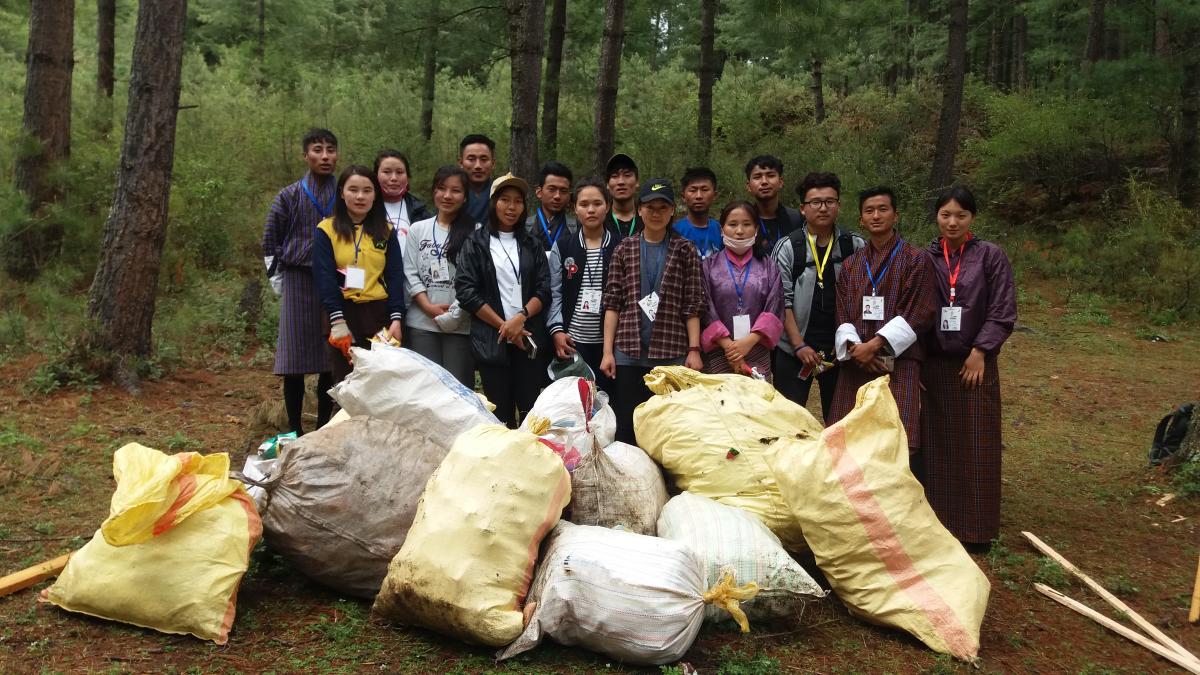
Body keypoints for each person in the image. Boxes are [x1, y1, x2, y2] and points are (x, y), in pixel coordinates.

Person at [919, 186, 1017, 551]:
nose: (952, 222)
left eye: (960, 215)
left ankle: (976, 529)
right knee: (937, 444)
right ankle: (939, 525)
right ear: (936, 217)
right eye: (946, 215)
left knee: (976, 444)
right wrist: (917, 364)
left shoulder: (989, 256)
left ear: (972, 217)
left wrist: (981, 351)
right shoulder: (926, 257)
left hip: (975, 364)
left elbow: (1002, 310)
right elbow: (916, 312)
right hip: (934, 365)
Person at [828, 186, 936, 453]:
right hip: (857, 363)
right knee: (851, 438)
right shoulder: (852, 264)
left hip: (898, 362)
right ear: (861, 220)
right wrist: (856, 348)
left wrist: (874, 346)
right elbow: (842, 311)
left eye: (883, 209)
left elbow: (918, 311)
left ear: (896, 215)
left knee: (895, 439)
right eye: (869, 211)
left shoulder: (915, 259)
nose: (876, 216)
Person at [600, 178, 705, 444]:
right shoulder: (625, 249)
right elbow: (613, 303)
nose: (656, 213)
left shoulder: (685, 250)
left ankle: (664, 482)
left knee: (668, 427)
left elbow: (692, 304)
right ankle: (630, 478)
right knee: (627, 423)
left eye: (662, 207)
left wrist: (693, 351)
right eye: (650, 207)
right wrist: (608, 352)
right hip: (628, 351)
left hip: (671, 352)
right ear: (639, 210)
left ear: (672, 212)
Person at [454, 173, 552, 428]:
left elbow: (544, 288)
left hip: (528, 337)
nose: (511, 207)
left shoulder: (532, 244)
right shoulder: (475, 243)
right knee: (499, 415)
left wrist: (520, 319)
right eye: (505, 200)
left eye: (518, 201)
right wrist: (505, 327)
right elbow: (466, 291)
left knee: (532, 411)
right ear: (493, 203)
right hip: (492, 340)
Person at [260, 128, 338, 435]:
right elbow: (270, 239)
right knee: (293, 360)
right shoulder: (289, 195)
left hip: (334, 281)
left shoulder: (345, 193)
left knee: (329, 360)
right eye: (317, 150)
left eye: (330, 150)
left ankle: (322, 426)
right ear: (305, 155)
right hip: (296, 280)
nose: (325, 156)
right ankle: (293, 429)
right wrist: (277, 278)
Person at [772, 172, 865, 421]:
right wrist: (799, 345)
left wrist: (851, 342)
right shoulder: (788, 247)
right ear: (803, 208)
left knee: (843, 423)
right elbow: (782, 301)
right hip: (794, 350)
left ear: (838, 205)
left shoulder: (853, 245)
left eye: (830, 201)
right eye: (815, 202)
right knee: (788, 423)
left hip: (841, 351)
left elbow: (866, 295)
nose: (823, 208)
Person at [313, 165, 406, 387]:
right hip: (342, 314)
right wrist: (337, 320)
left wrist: (396, 318)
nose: (360, 196)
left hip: (379, 315)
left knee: (380, 382)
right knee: (346, 383)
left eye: (367, 190)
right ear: (342, 193)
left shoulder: (385, 231)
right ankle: (344, 422)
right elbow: (324, 277)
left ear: (375, 195)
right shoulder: (326, 230)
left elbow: (394, 275)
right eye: (353, 190)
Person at [402, 166, 478, 387]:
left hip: (461, 323)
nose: (447, 195)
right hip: (422, 322)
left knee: (457, 387)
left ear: (465, 197)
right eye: (441, 188)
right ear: (434, 191)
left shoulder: (476, 231)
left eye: (455, 190)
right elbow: (410, 272)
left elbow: (476, 279)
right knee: (425, 387)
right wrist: (427, 306)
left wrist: (456, 312)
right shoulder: (418, 229)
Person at [548, 178, 620, 395]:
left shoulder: (621, 246)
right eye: (584, 204)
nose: (591, 210)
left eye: (597, 204)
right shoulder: (564, 246)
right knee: (576, 402)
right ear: (575, 209)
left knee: (608, 402)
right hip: (573, 340)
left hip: (610, 343)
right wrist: (557, 330)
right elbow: (554, 292)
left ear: (607, 207)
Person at [699, 201, 784, 378]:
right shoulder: (708, 266)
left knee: (756, 403)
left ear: (756, 229)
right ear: (722, 229)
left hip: (756, 349)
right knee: (721, 402)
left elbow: (774, 307)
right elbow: (705, 308)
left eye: (746, 224)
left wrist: (749, 341)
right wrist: (729, 346)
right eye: (732, 224)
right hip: (719, 352)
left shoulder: (769, 266)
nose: (739, 231)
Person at [374, 150, 431, 249]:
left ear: (408, 177)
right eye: (386, 172)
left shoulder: (420, 211)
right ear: (375, 176)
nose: (394, 178)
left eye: (400, 172)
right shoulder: (366, 208)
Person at [744, 154, 803, 247]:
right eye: (757, 177)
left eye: (770, 175)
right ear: (748, 186)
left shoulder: (797, 219)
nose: (764, 181)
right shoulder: (741, 222)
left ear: (780, 182)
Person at [672, 167, 723, 259]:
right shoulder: (674, 231)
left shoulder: (721, 230)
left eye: (704, 190)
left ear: (715, 195)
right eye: (693, 190)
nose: (699, 196)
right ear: (683, 196)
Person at [528, 161, 578, 252]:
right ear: (539, 192)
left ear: (569, 195)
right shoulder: (525, 227)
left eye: (563, 191)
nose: (557, 196)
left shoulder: (576, 228)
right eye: (552, 189)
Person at [459, 133, 496, 225]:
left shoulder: (500, 194)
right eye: (471, 159)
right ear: (461, 162)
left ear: (493, 163)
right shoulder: (451, 194)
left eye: (484, 159)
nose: (478, 166)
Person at [605, 153, 641, 240]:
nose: (621, 182)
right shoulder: (600, 219)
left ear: (637, 182)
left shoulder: (648, 218)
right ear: (607, 184)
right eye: (614, 176)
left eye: (627, 175)